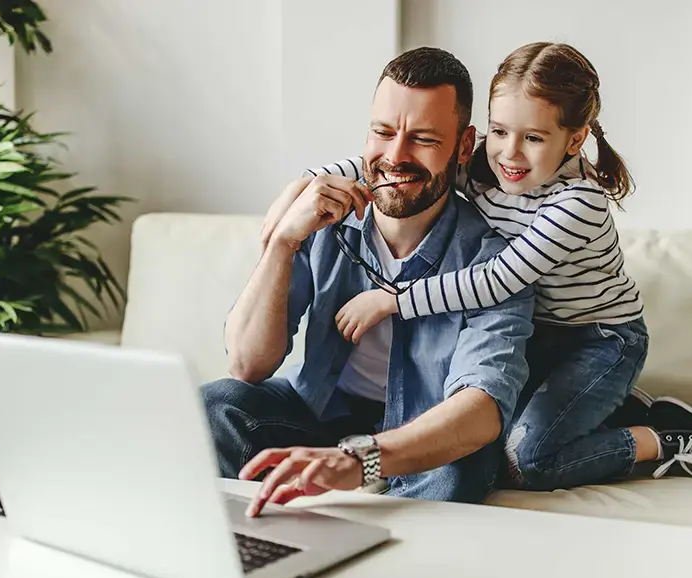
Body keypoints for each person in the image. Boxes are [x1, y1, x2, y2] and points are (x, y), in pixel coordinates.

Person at [271, 43, 692, 488]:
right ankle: (604, 408)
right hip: (536, 332)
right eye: (500, 131)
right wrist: (303, 193)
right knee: (473, 430)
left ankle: (662, 436)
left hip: (598, 340)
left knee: (526, 460)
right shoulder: (483, 163)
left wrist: (394, 301)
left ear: (575, 139)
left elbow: (498, 279)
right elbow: (396, 166)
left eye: (534, 138)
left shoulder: (578, 201)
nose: (510, 153)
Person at [204, 47, 536, 518]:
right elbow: (248, 364)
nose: (395, 157)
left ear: (464, 147)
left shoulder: (499, 260)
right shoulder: (323, 220)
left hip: (423, 430)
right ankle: (255, 547)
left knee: (463, 464)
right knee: (218, 404)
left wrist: (363, 458)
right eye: (383, 133)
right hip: (322, 412)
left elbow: (480, 408)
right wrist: (282, 243)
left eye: (422, 139)